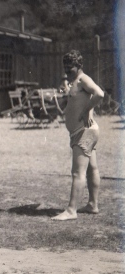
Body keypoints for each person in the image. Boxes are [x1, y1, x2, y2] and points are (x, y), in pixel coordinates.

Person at [52, 50, 104, 221]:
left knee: (77, 172)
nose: (67, 70)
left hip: (83, 132)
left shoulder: (83, 79)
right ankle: (93, 204)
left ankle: (71, 210)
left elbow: (99, 93)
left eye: (71, 67)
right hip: (84, 131)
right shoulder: (75, 81)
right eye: (65, 67)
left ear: (79, 66)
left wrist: (87, 110)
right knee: (92, 168)